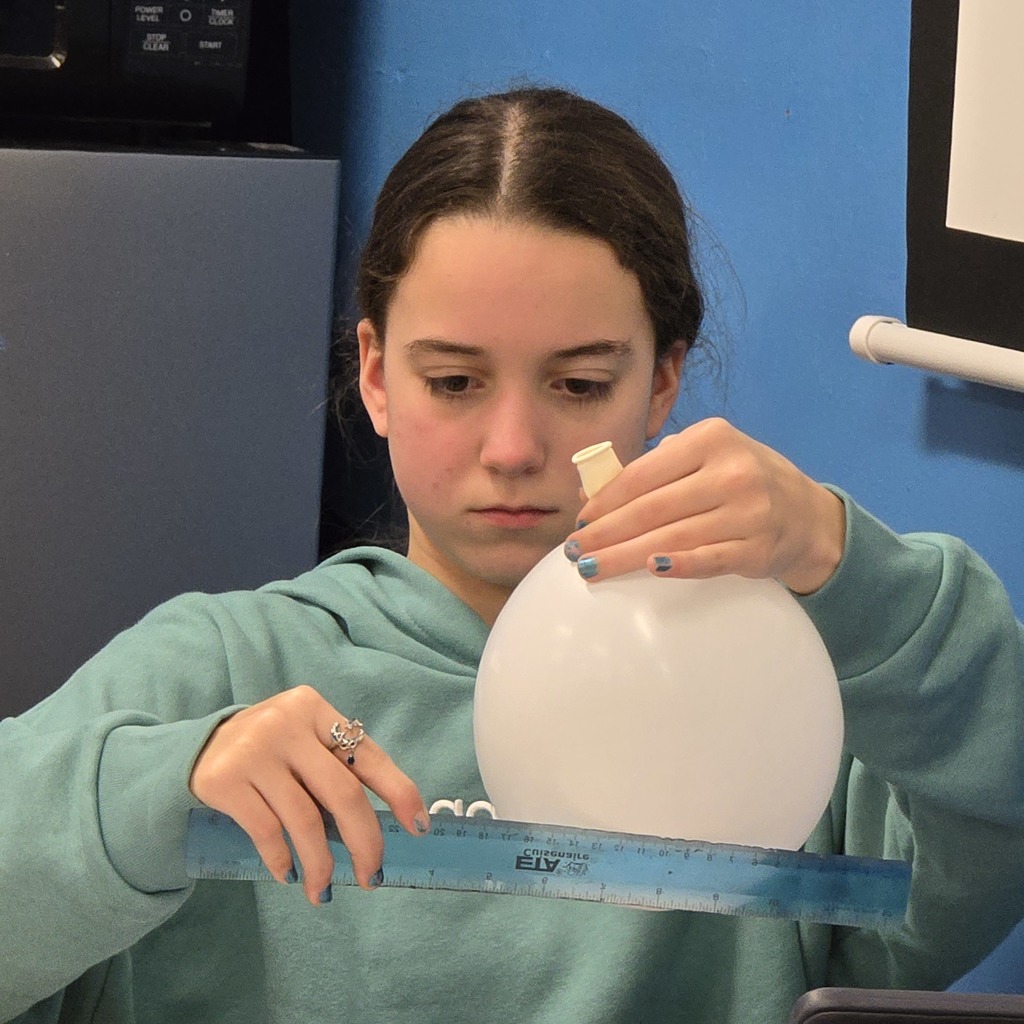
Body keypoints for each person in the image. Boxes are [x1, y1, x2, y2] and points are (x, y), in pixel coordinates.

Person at [2, 87, 1022, 1024]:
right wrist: (140, 791)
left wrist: (854, 570)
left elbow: (996, 808)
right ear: (375, 373)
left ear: (662, 380)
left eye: (578, 384)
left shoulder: (780, 698)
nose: (512, 450)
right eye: (453, 381)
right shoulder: (218, 672)